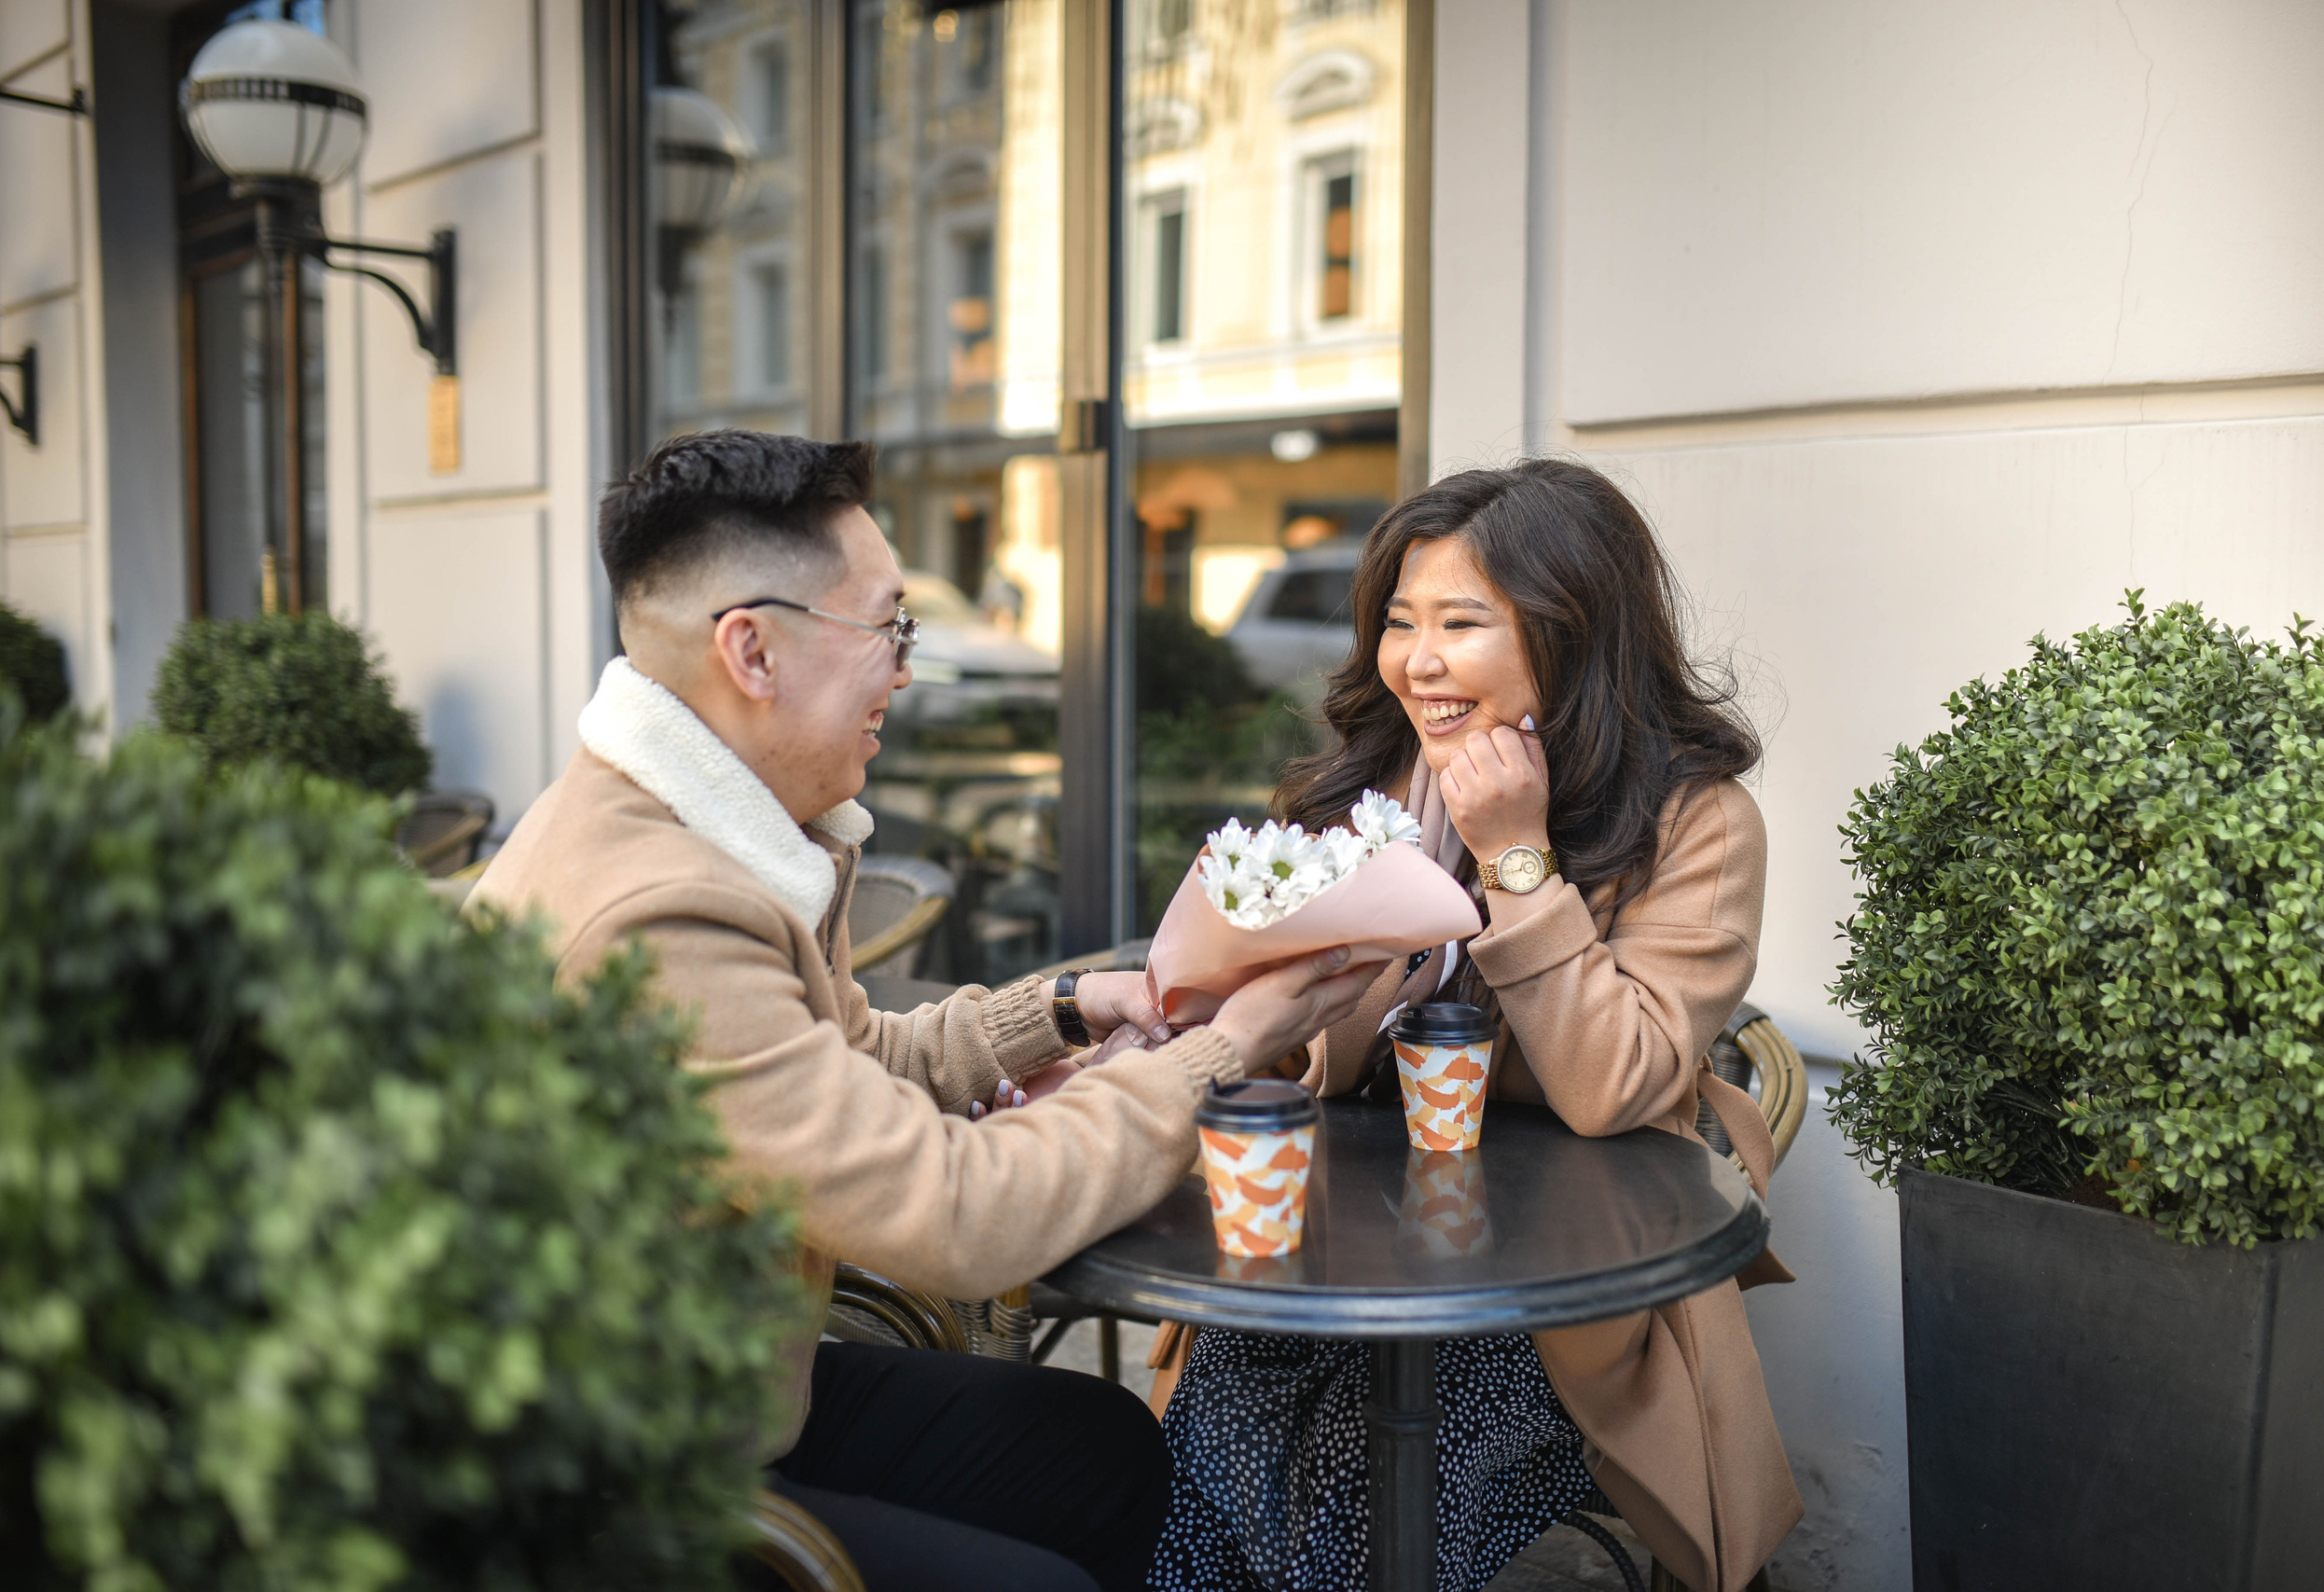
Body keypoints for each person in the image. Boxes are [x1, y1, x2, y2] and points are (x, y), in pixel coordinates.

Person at [468, 430, 1383, 1592]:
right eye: (888, 629)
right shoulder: (658, 918)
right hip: (611, 1491)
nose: (905, 669)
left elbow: (856, 1058)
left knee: (1100, 1451)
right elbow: (953, 1219)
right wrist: (1219, 1053)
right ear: (750, 649)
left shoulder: (705, 824)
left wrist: (1066, 1009)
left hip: (722, 1386)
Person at [1144, 458, 1802, 1592]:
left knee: (1347, 1532)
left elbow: (1616, 1086)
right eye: (1400, 622)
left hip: (1553, 1294)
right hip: (1333, 1249)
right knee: (1184, 1496)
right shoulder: (1360, 794)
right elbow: (1303, 1059)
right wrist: (1344, 927)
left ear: (1569, 634)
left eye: (1461, 622)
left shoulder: (1697, 822)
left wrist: (1513, 856)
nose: (1417, 660)